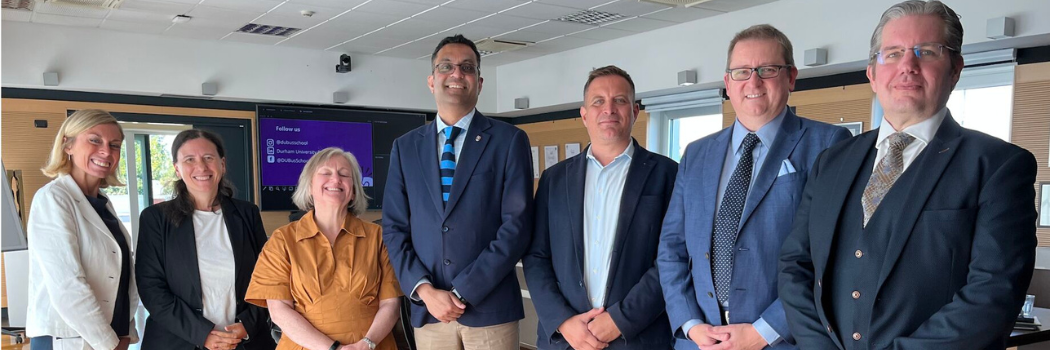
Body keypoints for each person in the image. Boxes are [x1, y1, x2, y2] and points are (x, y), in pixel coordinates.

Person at [778, 1, 1038, 349]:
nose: (908, 66)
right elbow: (795, 265)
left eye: (926, 52)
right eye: (893, 53)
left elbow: (993, 295)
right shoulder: (832, 162)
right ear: (872, 74)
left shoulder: (999, 166)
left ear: (955, 69)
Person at [657, 24, 852, 350]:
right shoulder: (696, 154)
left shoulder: (829, 144)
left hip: (781, 341)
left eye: (767, 69)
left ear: (791, 77)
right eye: (742, 72)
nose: (753, 81)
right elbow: (671, 249)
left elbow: (833, 257)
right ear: (727, 83)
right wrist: (690, 324)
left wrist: (764, 331)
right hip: (700, 341)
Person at [382, 34, 534, 350]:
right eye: (446, 66)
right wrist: (425, 291)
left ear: (479, 82)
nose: (456, 73)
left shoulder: (509, 141)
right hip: (430, 311)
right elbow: (394, 229)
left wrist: (464, 291)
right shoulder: (405, 147)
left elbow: (517, 227)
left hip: (490, 310)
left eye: (467, 67)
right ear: (431, 80)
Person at [523, 65, 677, 350]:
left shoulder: (668, 174)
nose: (609, 109)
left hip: (638, 338)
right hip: (565, 340)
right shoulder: (554, 179)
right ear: (584, 115)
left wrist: (621, 320)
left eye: (619, 100)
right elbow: (536, 256)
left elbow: (672, 259)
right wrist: (563, 321)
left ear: (635, 111)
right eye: (598, 101)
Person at [247, 147, 402, 350]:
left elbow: (391, 304)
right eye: (326, 173)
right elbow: (279, 311)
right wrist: (333, 348)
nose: (335, 179)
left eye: (344, 174)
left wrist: (366, 344)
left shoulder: (378, 237)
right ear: (309, 186)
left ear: (354, 190)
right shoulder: (282, 240)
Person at [136, 129, 274, 350]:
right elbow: (151, 288)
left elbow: (268, 278)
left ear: (222, 164)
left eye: (208, 158)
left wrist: (247, 325)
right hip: (178, 343)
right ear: (177, 169)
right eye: (189, 159)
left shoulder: (247, 213)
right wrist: (203, 334)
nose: (201, 167)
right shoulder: (156, 218)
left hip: (244, 342)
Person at [26, 109, 139, 350]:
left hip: (111, 336)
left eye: (114, 145)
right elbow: (67, 285)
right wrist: (108, 342)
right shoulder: (53, 198)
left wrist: (126, 332)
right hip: (70, 339)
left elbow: (121, 277)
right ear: (68, 145)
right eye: (95, 140)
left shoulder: (104, 204)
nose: (106, 151)